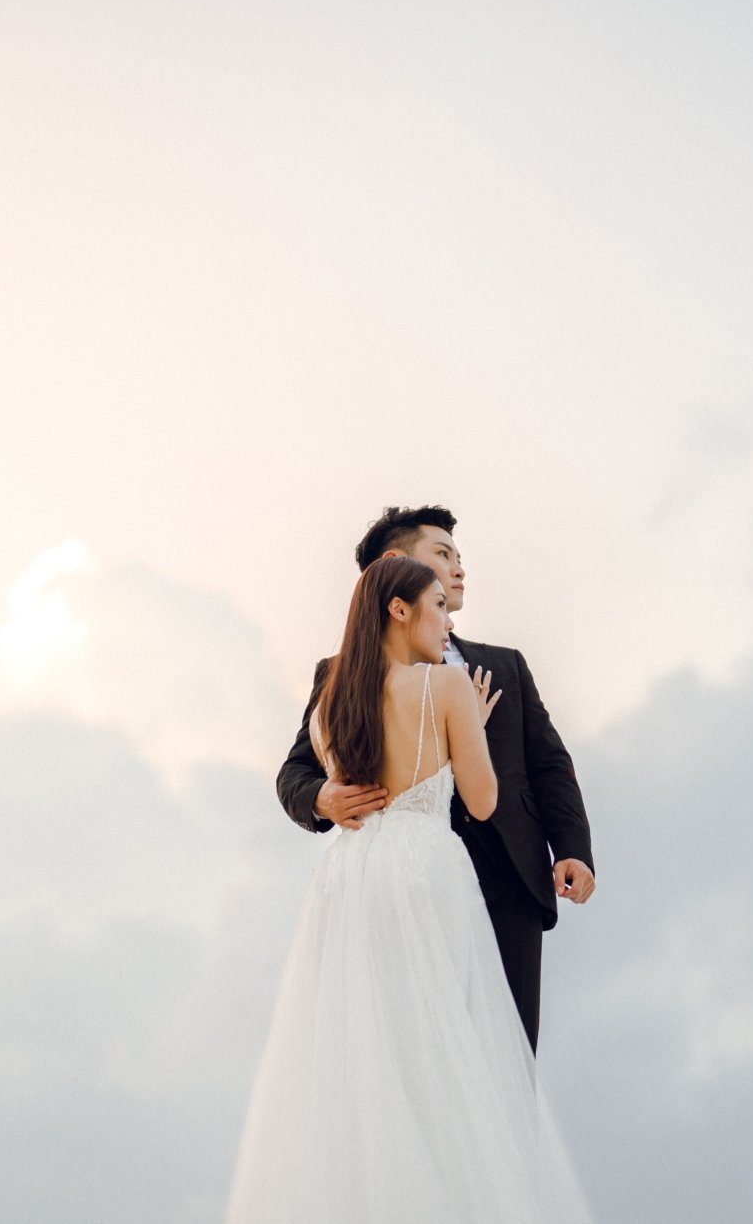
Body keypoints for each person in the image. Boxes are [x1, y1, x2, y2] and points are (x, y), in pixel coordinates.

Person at [223, 556, 595, 1223]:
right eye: (438, 606)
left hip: (350, 871)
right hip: (424, 868)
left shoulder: (331, 695)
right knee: (445, 1043)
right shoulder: (447, 687)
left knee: (362, 1047)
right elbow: (482, 802)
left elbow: (314, 775)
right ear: (400, 609)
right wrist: (468, 729)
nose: (447, 619)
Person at [277, 505, 595, 1049]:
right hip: (399, 888)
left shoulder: (506, 664)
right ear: (397, 566)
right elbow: (297, 770)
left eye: (460, 557)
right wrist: (322, 800)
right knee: (406, 1049)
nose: (459, 568)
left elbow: (549, 763)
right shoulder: (338, 675)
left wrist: (572, 847)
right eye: (443, 554)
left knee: (506, 1060)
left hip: (507, 882)